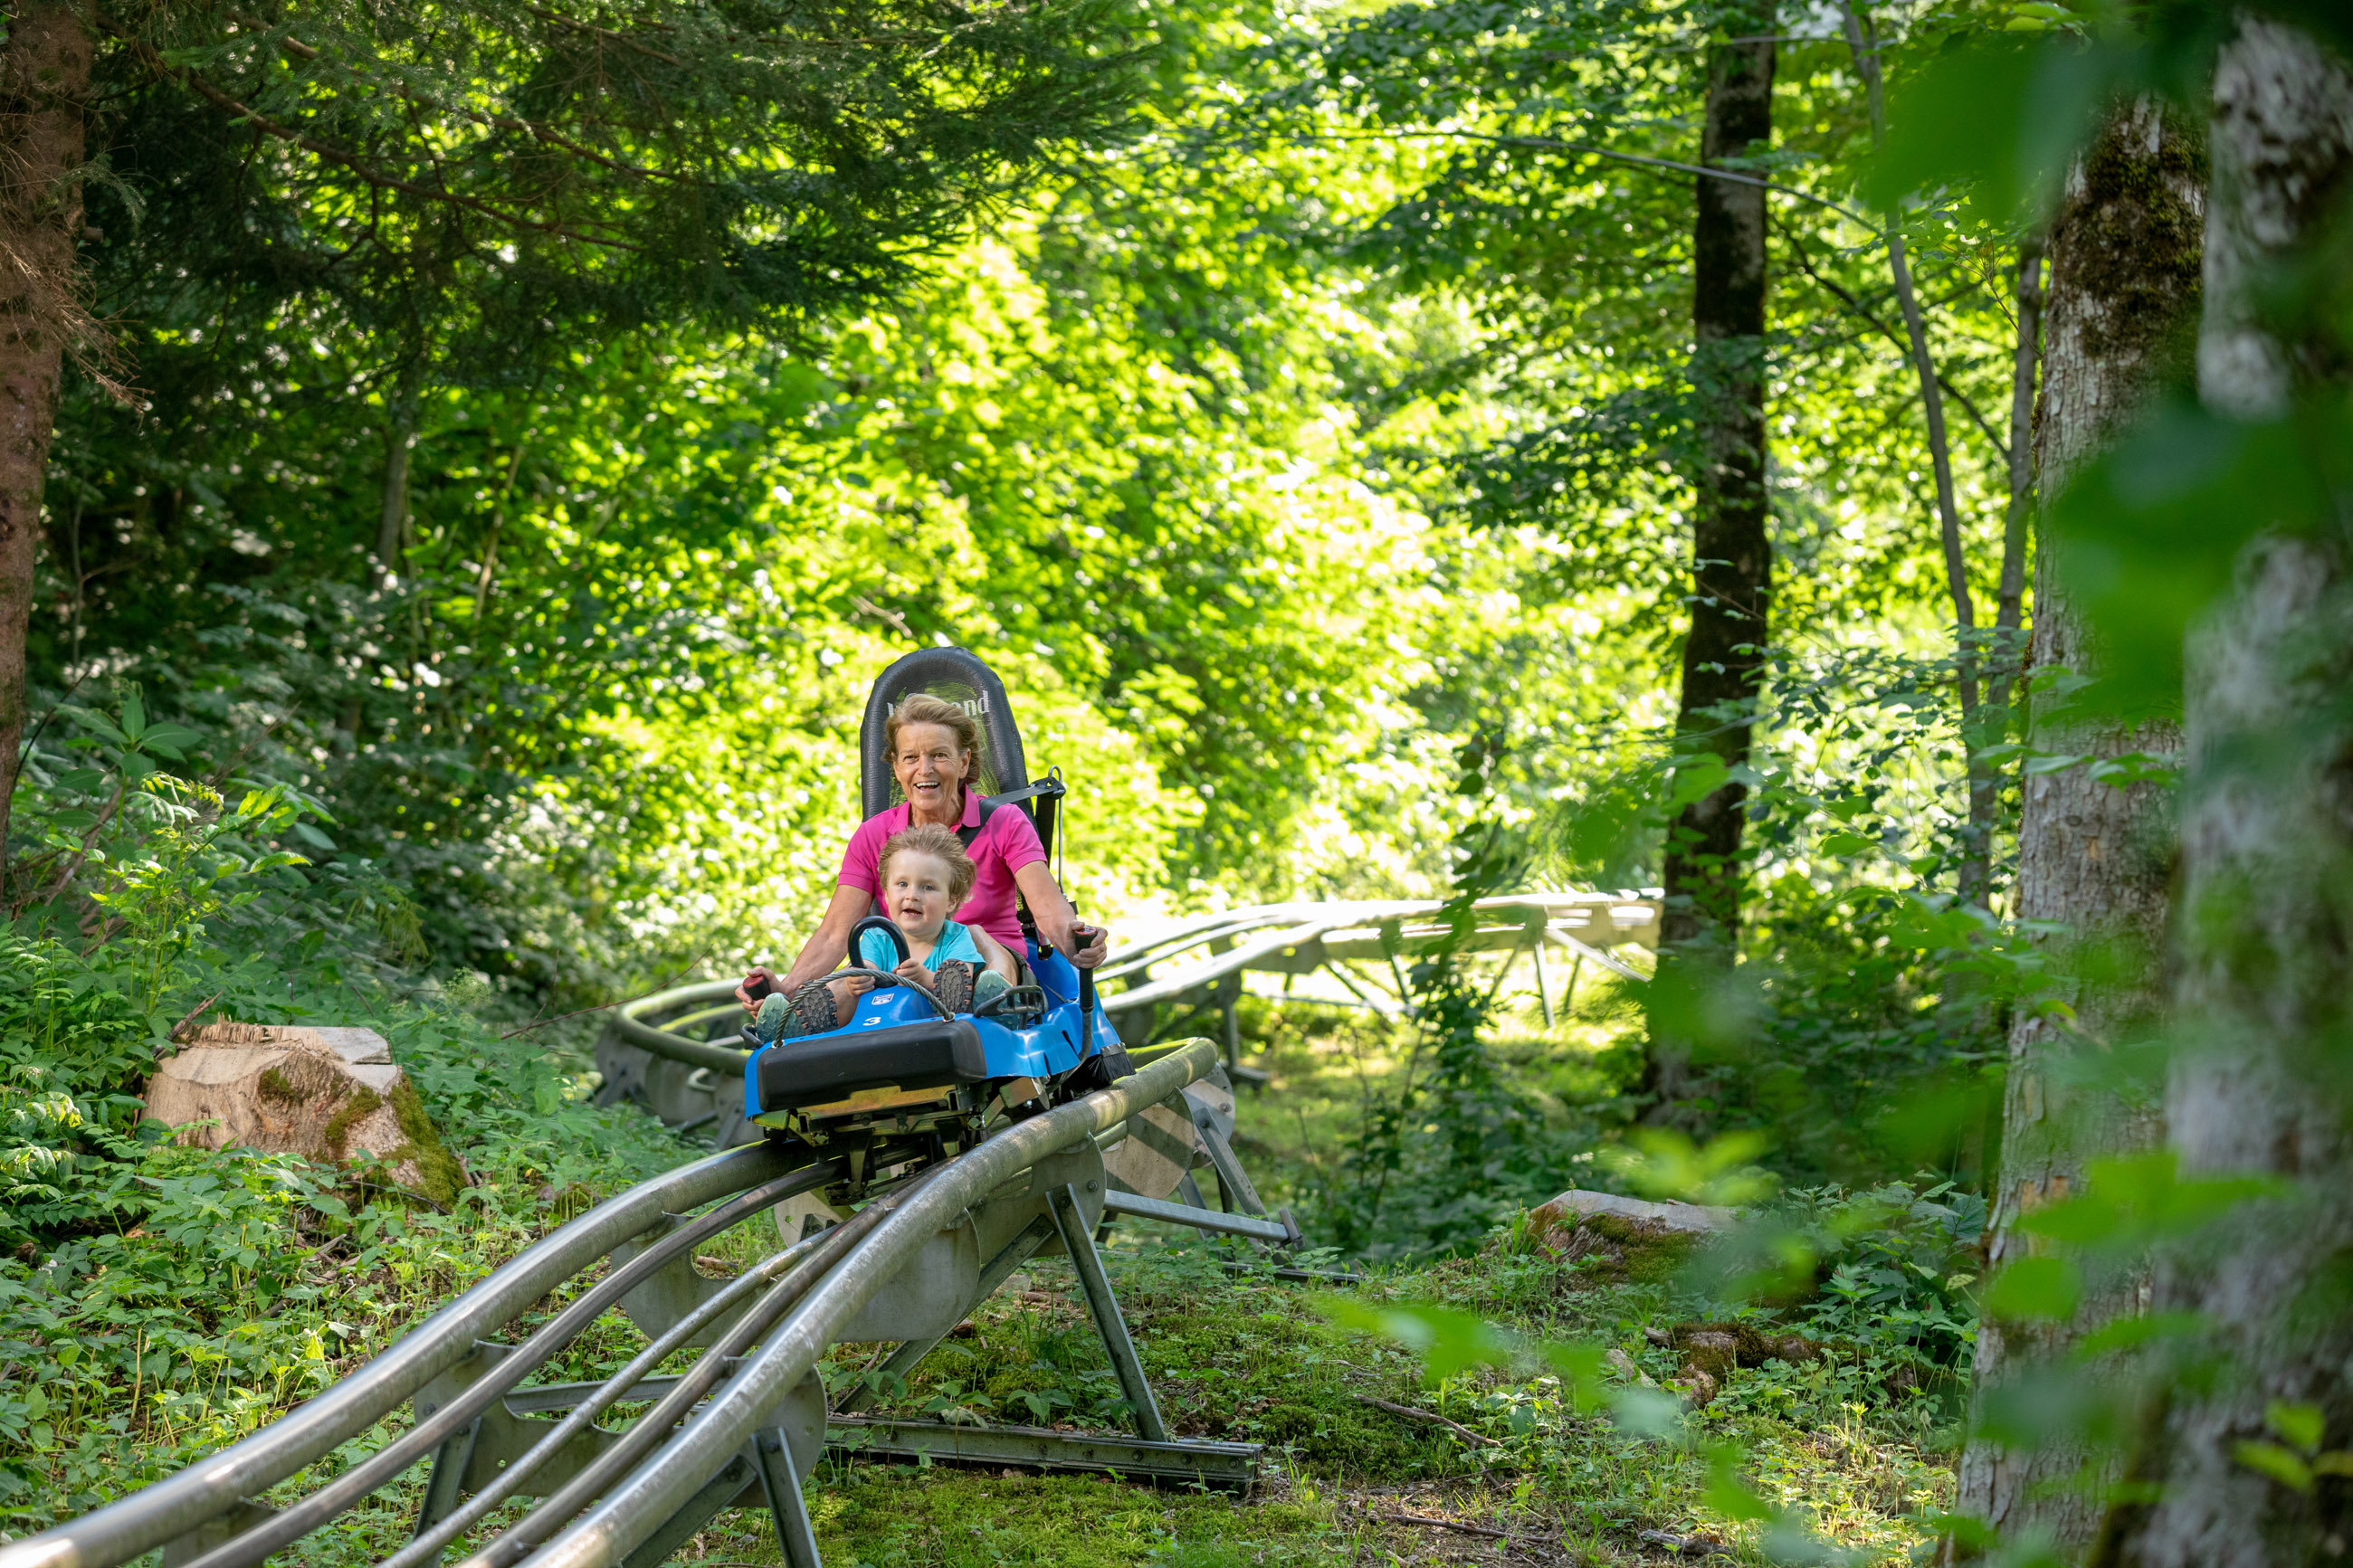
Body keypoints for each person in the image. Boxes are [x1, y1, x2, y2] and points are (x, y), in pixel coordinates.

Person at [738, 691, 1107, 1018]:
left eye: (939, 756)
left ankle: (989, 1000)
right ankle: (795, 1020)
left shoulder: (1004, 822)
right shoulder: (873, 835)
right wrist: (787, 988)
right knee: (856, 975)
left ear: (964, 763)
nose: (924, 769)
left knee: (980, 943)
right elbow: (836, 933)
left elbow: (1047, 909)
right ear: (896, 768)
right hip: (900, 967)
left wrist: (1075, 945)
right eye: (911, 757)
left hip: (984, 962)